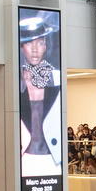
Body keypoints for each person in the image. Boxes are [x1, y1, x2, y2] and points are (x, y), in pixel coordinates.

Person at [19, 11, 63, 177]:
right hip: (25, 158)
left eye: (40, 42)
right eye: (30, 43)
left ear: (45, 45)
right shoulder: (15, 84)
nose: (35, 49)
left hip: (53, 158)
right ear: (22, 48)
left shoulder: (58, 79)